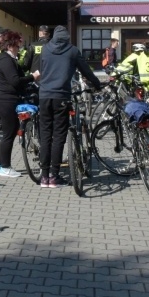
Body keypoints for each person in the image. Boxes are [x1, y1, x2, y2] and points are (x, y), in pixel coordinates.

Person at [38, 26, 102, 188]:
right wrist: (97, 85)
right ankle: (54, 176)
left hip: (44, 96)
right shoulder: (72, 51)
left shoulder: (45, 49)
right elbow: (86, 71)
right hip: (61, 96)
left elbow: (42, 69)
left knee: (45, 135)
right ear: (67, 38)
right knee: (59, 136)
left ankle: (44, 177)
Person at [0, 30, 40, 178]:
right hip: (6, 101)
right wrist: (33, 76)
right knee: (9, 134)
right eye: (18, 45)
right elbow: (15, 81)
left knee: (8, 133)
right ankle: (5, 167)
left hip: (2, 99)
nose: (19, 47)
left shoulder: (6, 59)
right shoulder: (6, 60)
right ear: (11, 45)